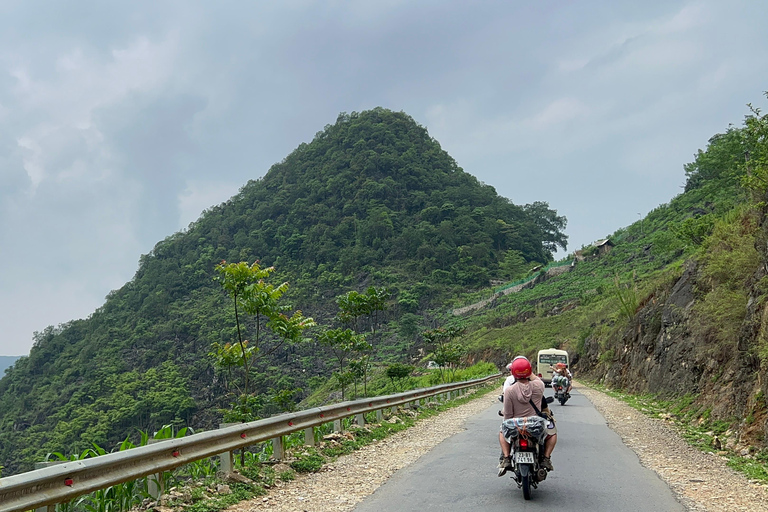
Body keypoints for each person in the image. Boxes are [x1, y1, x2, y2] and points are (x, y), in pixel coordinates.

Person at [498, 356, 557, 476]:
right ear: (529, 371)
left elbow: (508, 415)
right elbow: (534, 378)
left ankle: (506, 458)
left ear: (513, 372)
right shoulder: (539, 386)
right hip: (535, 425)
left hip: (516, 426)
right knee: (552, 433)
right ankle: (546, 458)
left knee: (501, 432)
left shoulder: (509, 390)